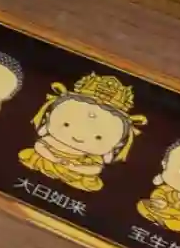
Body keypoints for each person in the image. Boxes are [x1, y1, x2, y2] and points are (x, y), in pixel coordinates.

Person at [17, 73, 146, 192]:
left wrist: (75, 168)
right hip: (46, 162)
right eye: (66, 124)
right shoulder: (51, 140)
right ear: (47, 118)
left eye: (98, 137)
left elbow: (95, 168)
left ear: (117, 145)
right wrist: (53, 158)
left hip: (75, 173)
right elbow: (39, 146)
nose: (79, 137)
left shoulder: (93, 157)